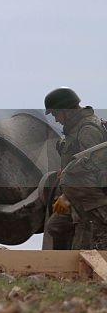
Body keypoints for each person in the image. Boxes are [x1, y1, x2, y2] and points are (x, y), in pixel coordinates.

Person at [44, 87, 107, 249]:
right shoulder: (75, 129)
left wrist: (67, 195)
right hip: (77, 194)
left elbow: (93, 165)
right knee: (56, 227)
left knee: (86, 235)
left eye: (55, 114)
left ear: (66, 110)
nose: (56, 120)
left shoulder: (88, 129)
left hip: (92, 198)